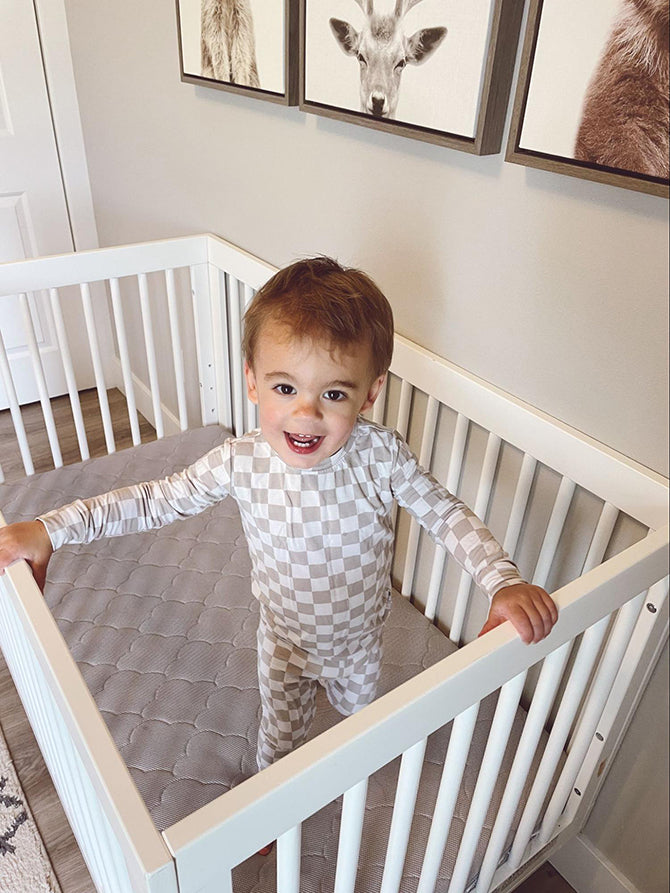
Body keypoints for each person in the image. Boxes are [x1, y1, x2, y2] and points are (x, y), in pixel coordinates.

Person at [0, 257, 557, 774]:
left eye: (334, 393)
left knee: (358, 728)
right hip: (285, 644)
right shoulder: (240, 462)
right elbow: (151, 500)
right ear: (252, 381)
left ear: (369, 394)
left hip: (360, 641)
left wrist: (501, 580)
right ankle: (273, 799)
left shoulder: (381, 457)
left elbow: (444, 512)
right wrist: (50, 527)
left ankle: (346, 764)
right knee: (280, 740)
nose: (306, 413)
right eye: (285, 387)